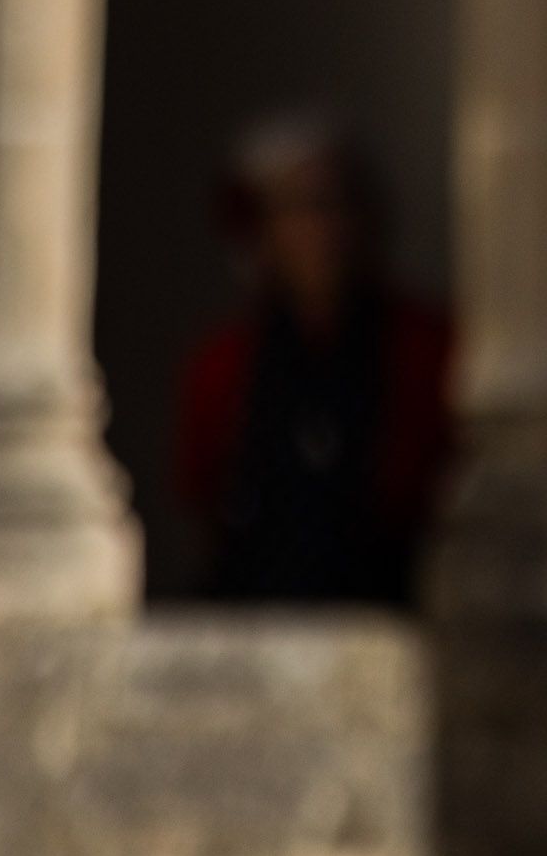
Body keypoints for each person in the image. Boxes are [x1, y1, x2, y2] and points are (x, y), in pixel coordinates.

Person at [169, 111, 452, 606]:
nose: (324, 230)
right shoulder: (222, 366)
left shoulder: (428, 349)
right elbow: (205, 506)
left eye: (337, 205)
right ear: (263, 232)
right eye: (299, 209)